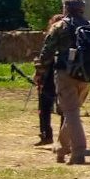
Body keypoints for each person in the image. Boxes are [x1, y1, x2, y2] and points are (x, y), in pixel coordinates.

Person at [36, 0, 90, 165]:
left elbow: (46, 53)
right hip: (87, 75)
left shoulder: (59, 26)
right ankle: (61, 148)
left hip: (66, 74)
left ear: (65, 8)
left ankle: (79, 152)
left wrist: (40, 70)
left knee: (71, 113)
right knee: (71, 112)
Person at [32, 14, 62, 146]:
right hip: (64, 73)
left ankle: (47, 135)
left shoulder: (54, 35)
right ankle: (53, 136)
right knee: (64, 108)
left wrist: (38, 72)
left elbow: (46, 56)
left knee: (45, 105)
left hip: (51, 74)